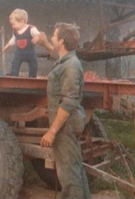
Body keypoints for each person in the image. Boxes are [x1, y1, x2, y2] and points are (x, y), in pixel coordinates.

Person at [41, 23, 91, 199]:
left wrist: (52, 131)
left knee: (68, 174)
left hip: (65, 125)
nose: (52, 38)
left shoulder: (70, 66)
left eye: (54, 36)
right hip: (68, 123)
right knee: (75, 167)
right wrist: (44, 43)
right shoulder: (66, 60)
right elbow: (53, 51)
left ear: (61, 41)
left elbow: (68, 101)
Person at [2, 9, 40, 78]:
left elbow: (38, 34)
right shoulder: (15, 31)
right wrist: (7, 46)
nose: (12, 26)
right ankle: (13, 77)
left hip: (30, 52)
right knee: (15, 64)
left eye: (14, 24)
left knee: (34, 65)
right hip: (19, 53)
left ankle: (32, 78)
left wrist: (36, 38)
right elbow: (13, 40)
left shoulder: (31, 28)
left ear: (22, 21)